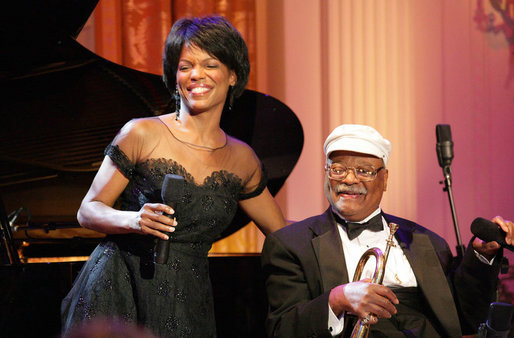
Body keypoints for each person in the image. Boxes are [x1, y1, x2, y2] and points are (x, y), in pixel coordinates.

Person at [61, 15, 286, 337]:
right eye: (185, 66)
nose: (196, 75)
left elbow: (280, 233)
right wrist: (133, 220)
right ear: (174, 75)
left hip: (188, 295)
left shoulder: (242, 158)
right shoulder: (141, 132)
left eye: (210, 65)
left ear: (233, 75)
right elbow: (88, 210)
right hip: (118, 285)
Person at [261, 124, 513, 337]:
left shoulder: (427, 242)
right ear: (327, 175)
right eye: (338, 169)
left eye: (364, 171)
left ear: (385, 179)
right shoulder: (290, 244)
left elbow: (466, 318)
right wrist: (336, 300)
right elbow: (281, 329)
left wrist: (482, 256)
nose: (349, 179)